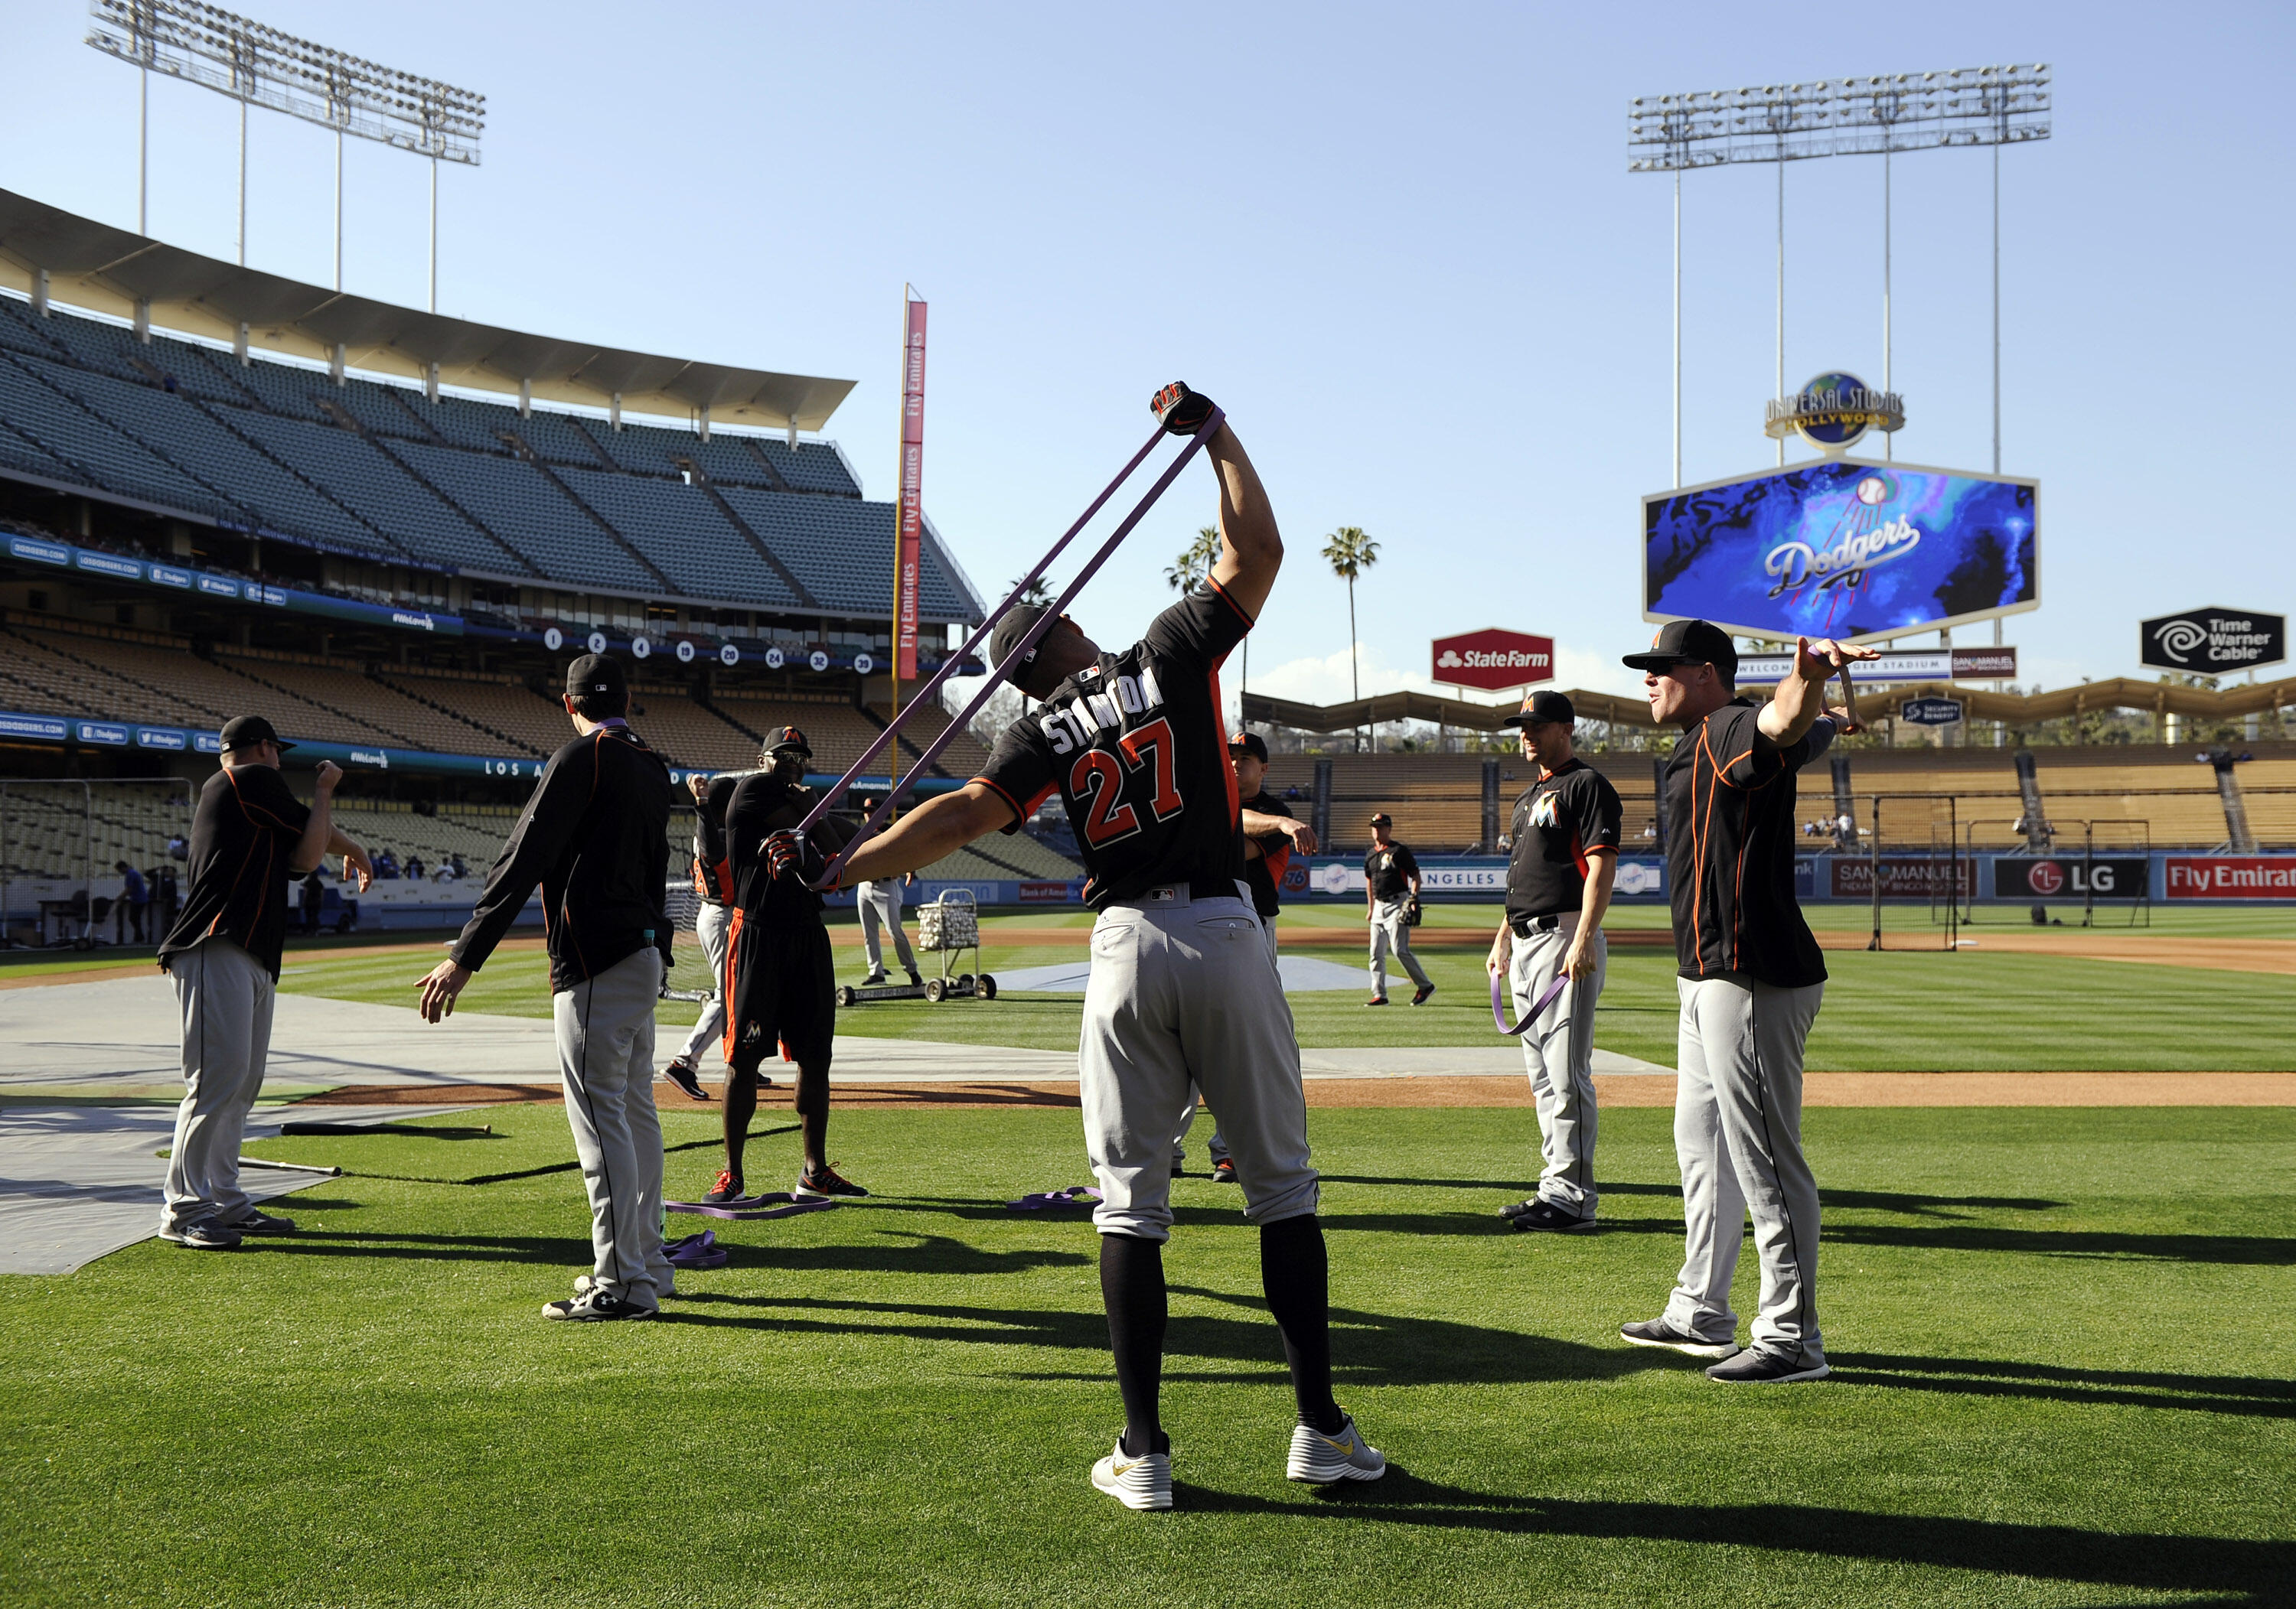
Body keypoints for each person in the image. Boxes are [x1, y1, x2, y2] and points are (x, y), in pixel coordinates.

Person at [824, 384, 1382, 1509]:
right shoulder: (1168, 647)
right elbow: (1260, 548)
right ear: (1068, 631)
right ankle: (1318, 1426)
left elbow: (958, 819)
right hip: (1223, 925)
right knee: (1281, 1189)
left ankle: (1144, 1450)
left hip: (1122, 943)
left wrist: (850, 862)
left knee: (1129, 1199)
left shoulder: (1033, 729)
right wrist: (1219, 434)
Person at [1616, 618, 1871, 1384]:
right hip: (1707, 975)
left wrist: (1813, 685)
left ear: (1702, 672)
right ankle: (1701, 1311)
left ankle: (1793, 1336)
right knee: (1703, 1147)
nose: (1648, 680)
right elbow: (1799, 735)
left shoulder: (1727, 725)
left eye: (1659, 668)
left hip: (1751, 975)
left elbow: (1778, 722)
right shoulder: (1714, 739)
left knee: (1764, 1159)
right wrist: (1826, 718)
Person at [417, 654, 676, 1322]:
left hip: (596, 959)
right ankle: (648, 1260)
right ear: (626, 698)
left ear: (569, 703)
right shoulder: (652, 762)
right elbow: (658, 867)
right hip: (643, 950)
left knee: (601, 1123)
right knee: (636, 1113)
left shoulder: (580, 758)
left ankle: (622, 1281)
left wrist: (464, 956)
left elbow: (522, 857)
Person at [155, 715, 372, 1250]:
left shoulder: (248, 792)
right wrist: (325, 791)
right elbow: (306, 850)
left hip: (244, 948)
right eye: (278, 750)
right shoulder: (249, 778)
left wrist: (349, 846)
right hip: (216, 944)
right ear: (264, 748)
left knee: (241, 1082)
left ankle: (226, 1200)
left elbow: (306, 839)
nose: (280, 760)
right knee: (214, 1083)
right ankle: (184, 1208)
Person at [1484, 690, 1622, 1233]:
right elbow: (1521, 881)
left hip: (1564, 938)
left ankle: (1575, 1198)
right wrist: (1502, 939)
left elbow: (1601, 866)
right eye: (1522, 725)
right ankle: (1555, 1184)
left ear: (1566, 728)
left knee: (1566, 1074)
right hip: (1523, 943)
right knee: (1542, 1076)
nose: (1526, 732)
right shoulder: (1528, 797)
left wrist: (1584, 936)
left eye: (1537, 724)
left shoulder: (1586, 785)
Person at [713, 728, 864, 1205]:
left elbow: (855, 842)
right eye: (785, 755)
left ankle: (815, 1170)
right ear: (764, 759)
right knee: (744, 1059)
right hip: (758, 934)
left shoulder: (802, 802)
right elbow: (827, 834)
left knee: (816, 1056)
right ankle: (733, 1173)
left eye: (801, 756)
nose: (794, 764)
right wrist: (815, 808)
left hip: (806, 934)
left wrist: (817, 811)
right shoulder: (754, 789)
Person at [1176, 730, 1316, 1184]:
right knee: (1179, 1039)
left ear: (1264, 767)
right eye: (1229, 756)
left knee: (1237, 1041)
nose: (1236, 763)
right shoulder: (1202, 797)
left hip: (1252, 926)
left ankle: (1230, 1151)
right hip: (1190, 922)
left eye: (1247, 757)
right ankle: (1166, 1150)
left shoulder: (1278, 813)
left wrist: (1274, 825)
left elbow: (1233, 842)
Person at [661, 769, 745, 1103]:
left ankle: (740, 1060)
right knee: (726, 996)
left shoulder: (716, 830)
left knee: (738, 993)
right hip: (720, 915)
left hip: (717, 915)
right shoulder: (715, 832)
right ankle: (684, 1063)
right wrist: (702, 804)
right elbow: (712, 844)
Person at [1363, 813, 1433, 1006]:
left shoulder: (1399, 851)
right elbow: (1369, 883)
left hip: (1397, 904)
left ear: (1389, 829)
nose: (1376, 830)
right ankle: (1379, 994)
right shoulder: (1370, 855)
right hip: (1378, 906)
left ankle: (1425, 985)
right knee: (1375, 953)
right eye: (1374, 826)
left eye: (1380, 826)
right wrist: (1370, 909)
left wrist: (1413, 897)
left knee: (1399, 949)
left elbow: (1415, 875)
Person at [851, 803, 922, 987]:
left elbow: (908, 850)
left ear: (880, 812)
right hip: (865, 885)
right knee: (869, 933)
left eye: (872, 811)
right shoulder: (860, 833)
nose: (868, 815)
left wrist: (909, 870)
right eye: (866, 812)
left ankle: (912, 970)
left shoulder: (891, 830)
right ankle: (876, 971)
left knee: (895, 931)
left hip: (886, 886)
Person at [115, 861, 148, 943]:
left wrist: (120, 898)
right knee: (135, 919)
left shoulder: (130, 874)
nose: (120, 872)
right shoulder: (133, 873)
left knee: (134, 918)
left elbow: (129, 889)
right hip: (139, 899)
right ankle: (139, 938)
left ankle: (140, 938)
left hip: (138, 899)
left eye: (120, 870)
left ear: (123, 868)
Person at [298, 866, 324, 936]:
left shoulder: (308, 882)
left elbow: (305, 893)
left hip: (309, 902)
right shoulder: (319, 883)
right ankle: (316, 931)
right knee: (315, 916)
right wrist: (321, 901)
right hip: (317, 902)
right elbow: (322, 893)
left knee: (308, 917)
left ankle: (308, 931)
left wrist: (304, 901)